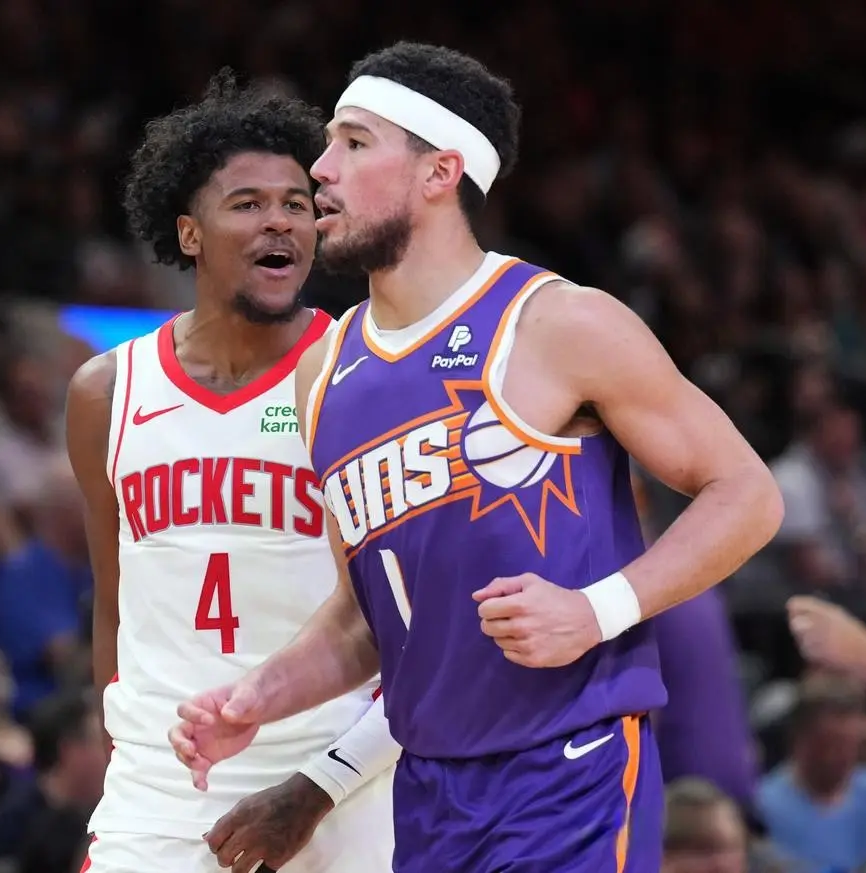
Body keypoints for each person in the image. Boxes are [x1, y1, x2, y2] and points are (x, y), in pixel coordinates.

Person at [171, 42, 783, 873]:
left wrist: (595, 610)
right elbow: (366, 618)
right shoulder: (324, 373)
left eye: (354, 141)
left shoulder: (557, 322)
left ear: (439, 172)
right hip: (431, 793)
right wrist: (258, 696)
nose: (321, 168)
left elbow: (747, 493)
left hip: (568, 770)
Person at [66, 70, 398, 873]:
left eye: (296, 203)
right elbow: (114, 603)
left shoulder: (363, 378)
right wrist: (126, 758)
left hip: (336, 783)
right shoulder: (106, 392)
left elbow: (407, 614)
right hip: (164, 789)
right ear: (189, 234)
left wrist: (333, 777)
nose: (278, 221)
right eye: (247, 204)